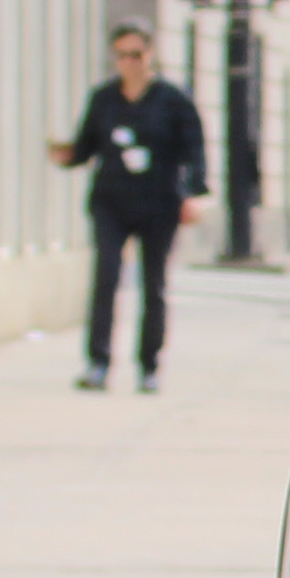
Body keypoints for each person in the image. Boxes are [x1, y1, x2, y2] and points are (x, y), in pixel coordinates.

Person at [53, 24, 207, 391]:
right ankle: (98, 361)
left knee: (153, 284)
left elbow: (194, 152)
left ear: (150, 56)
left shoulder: (173, 100)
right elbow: (86, 146)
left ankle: (149, 365)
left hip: (159, 201)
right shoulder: (104, 98)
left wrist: (191, 194)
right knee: (105, 279)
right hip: (112, 199)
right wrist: (67, 155)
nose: (129, 63)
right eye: (121, 56)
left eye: (136, 55)